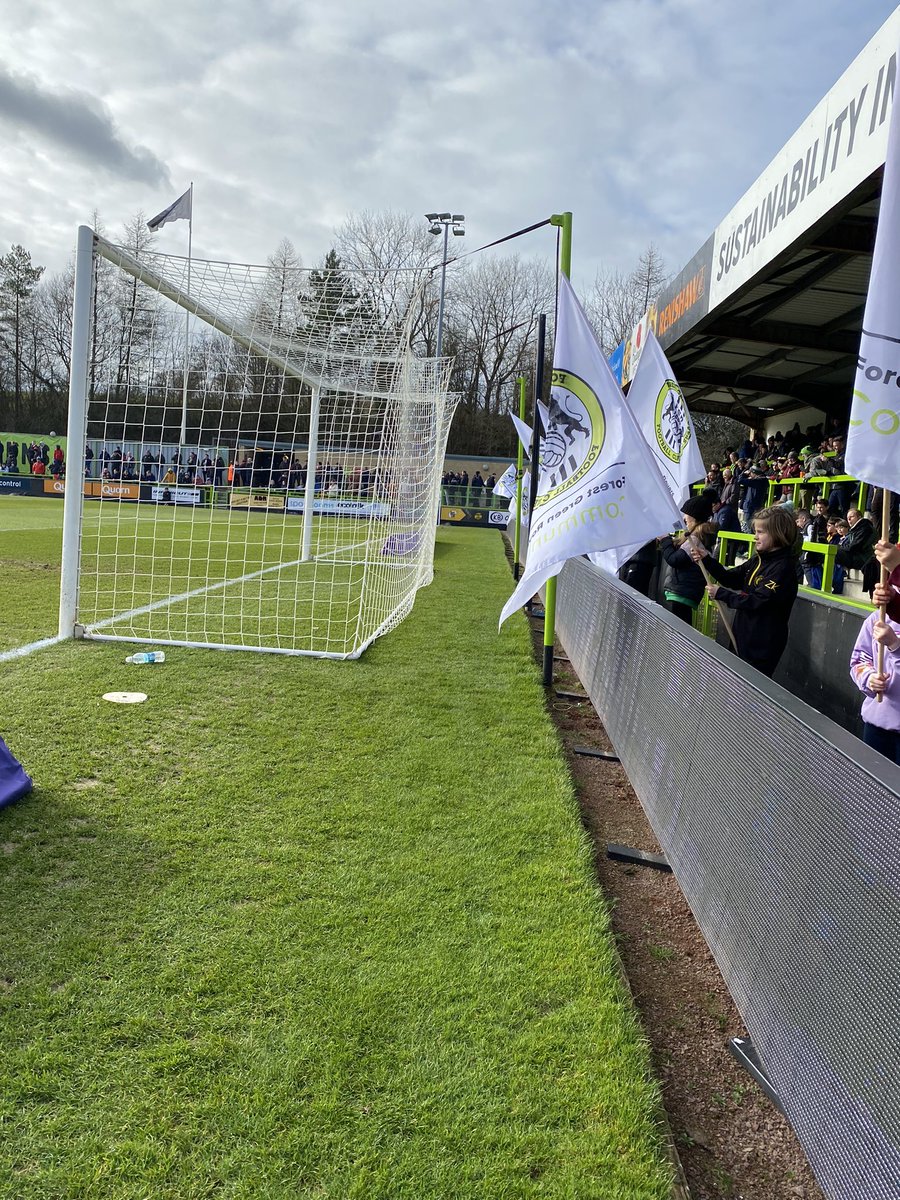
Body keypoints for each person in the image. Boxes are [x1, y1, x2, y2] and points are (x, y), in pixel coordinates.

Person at [689, 505, 801, 676]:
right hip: (742, 635)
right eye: (755, 531)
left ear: (778, 534)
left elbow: (760, 601)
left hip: (762, 644)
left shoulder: (783, 568)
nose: (755, 537)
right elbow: (731, 578)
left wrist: (722, 594)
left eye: (761, 532)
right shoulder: (757, 560)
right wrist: (707, 561)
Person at [850, 606, 900, 764]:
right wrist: (869, 678)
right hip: (876, 728)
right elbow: (859, 661)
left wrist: (895, 646)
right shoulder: (878, 618)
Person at [658, 495, 716, 624]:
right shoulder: (696, 537)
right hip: (682, 592)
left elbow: (674, 560)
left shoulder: (694, 539)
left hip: (682, 593)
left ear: (694, 517)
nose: (684, 518)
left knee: (679, 633)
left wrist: (664, 540)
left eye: (686, 514)